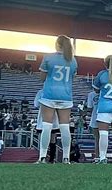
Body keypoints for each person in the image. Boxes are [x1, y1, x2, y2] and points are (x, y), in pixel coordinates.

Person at [36, 35, 77, 164]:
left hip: (49, 94)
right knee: (65, 127)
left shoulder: (48, 58)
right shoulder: (73, 60)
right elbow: (71, 78)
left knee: (47, 126)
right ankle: (66, 158)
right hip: (65, 95)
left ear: (57, 44)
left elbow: (42, 78)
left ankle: (42, 156)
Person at [34, 89, 60, 163]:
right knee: (49, 139)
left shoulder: (42, 92)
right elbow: (36, 104)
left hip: (48, 117)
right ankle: (47, 159)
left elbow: (36, 104)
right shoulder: (42, 92)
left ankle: (47, 159)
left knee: (48, 139)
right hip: (48, 117)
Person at [86, 90, 100, 162]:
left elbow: (89, 108)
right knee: (103, 137)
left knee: (97, 139)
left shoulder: (91, 94)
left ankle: (98, 157)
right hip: (105, 117)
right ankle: (101, 156)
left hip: (95, 118)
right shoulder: (104, 92)